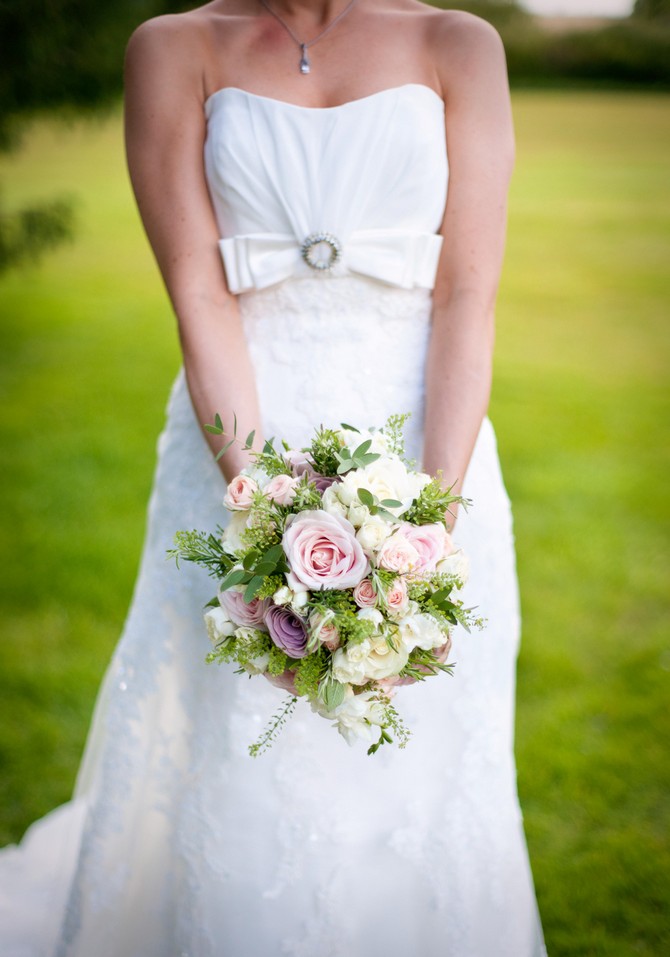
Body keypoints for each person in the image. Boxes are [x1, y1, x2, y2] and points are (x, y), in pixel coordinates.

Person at [0, 0, 547, 954]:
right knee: (239, 729)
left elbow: (469, 289)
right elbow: (197, 287)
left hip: (427, 437)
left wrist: (429, 520)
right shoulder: (173, 47)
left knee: (419, 740)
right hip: (238, 440)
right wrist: (258, 509)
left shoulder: (459, 43)